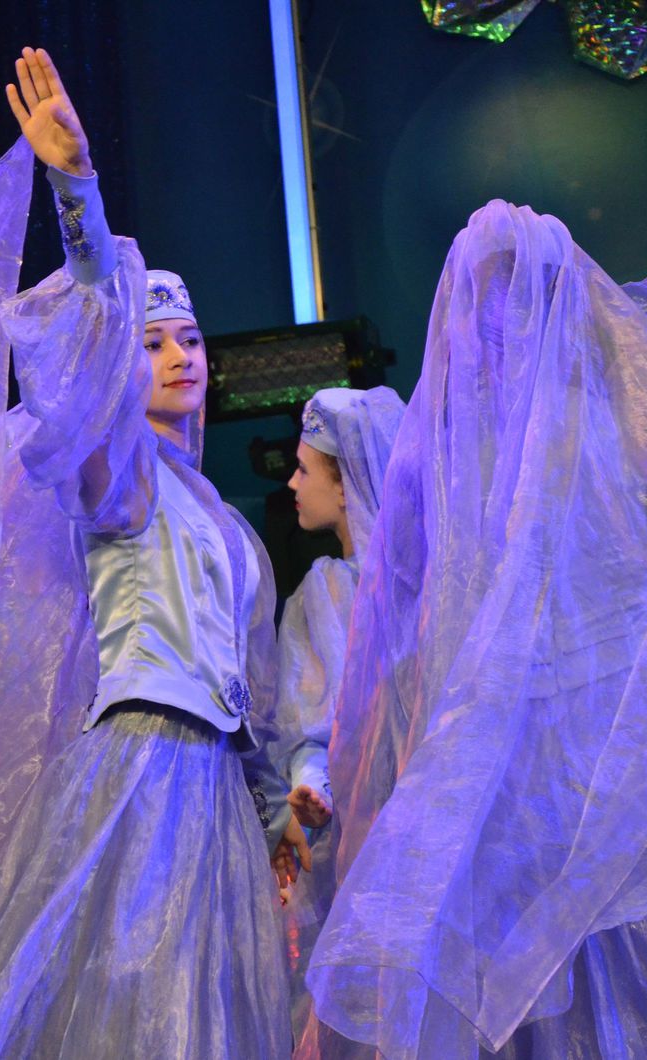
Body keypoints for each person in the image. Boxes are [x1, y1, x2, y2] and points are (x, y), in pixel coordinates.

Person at [307, 200, 647, 1058]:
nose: (499, 323)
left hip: (609, 754)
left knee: (622, 955)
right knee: (540, 974)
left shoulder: (610, 419)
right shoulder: (452, 458)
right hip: (519, 771)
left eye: (519, 292)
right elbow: (413, 639)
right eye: (484, 301)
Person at [267, 385, 404, 1054]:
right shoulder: (334, 590)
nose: (293, 484)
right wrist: (310, 787)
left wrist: (314, 779)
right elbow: (311, 726)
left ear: (345, 484)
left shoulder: (332, 589)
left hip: (387, 827)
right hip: (370, 825)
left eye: (304, 469)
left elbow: (311, 718)